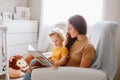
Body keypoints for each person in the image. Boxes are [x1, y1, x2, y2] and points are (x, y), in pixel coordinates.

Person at [23, 15, 95, 80]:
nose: (67, 31)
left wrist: (58, 64)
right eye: (67, 28)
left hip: (67, 70)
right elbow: (62, 51)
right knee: (33, 62)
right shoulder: (74, 40)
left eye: (70, 29)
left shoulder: (88, 47)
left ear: (78, 28)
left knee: (32, 71)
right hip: (61, 65)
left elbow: (83, 72)